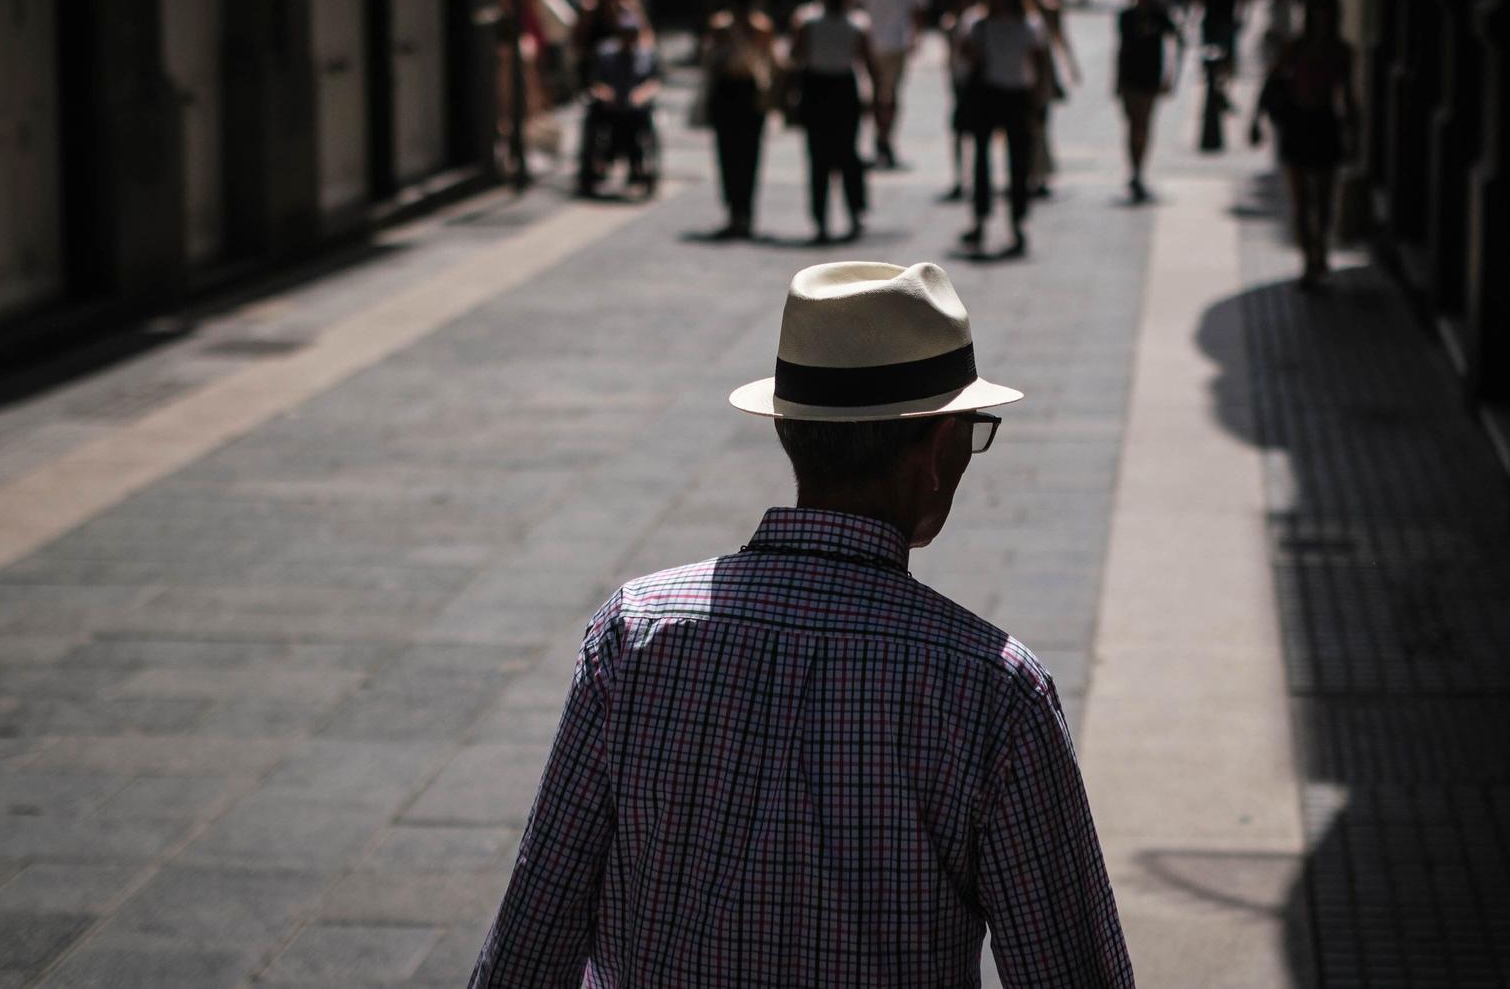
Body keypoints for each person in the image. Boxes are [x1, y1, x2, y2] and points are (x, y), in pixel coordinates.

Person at [469, 259, 1134, 988]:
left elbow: (530, 944)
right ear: (938, 447)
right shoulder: (992, 691)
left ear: (789, 426)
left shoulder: (632, 635)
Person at [1250, 0, 1358, 287]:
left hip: (1324, 123)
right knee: (1300, 201)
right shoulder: (1294, 48)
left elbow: (1347, 97)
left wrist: (1352, 133)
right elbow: (1272, 80)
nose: (1321, 17)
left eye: (1326, 11)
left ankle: (1319, 250)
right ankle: (1308, 259)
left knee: (1323, 200)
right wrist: (1256, 120)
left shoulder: (1342, 52)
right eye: (1317, 11)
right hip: (1297, 123)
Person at [960, 0, 1051, 258]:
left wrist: (1039, 98)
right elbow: (966, 55)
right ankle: (980, 217)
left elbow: (1038, 62)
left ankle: (1017, 221)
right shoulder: (977, 22)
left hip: (1017, 95)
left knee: (1019, 163)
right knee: (981, 160)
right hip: (988, 94)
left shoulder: (1030, 24)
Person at [790, 0, 876, 243]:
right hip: (841, 88)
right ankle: (854, 212)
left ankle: (822, 218)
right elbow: (868, 61)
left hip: (820, 88)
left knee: (820, 157)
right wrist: (877, 95)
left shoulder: (808, 20)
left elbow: (795, 55)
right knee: (847, 154)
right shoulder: (856, 23)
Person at [702, 0, 775, 239]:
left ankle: (735, 210)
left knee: (727, 154)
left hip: (726, 92)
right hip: (750, 93)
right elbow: (769, 62)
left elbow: (710, 62)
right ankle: (745, 212)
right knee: (750, 154)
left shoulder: (720, 25)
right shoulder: (763, 26)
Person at [852, 0, 932, 170]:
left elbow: (855, 7)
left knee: (877, 91)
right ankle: (885, 137)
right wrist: (916, 38)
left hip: (871, 43)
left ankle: (881, 136)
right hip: (897, 43)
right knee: (893, 94)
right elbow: (919, 11)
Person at [1114, 0, 1181, 202]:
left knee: (1142, 125)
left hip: (1150, 79)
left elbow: (1176, 41)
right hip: (1130, 78)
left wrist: (1171, 75)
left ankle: (1138, 170)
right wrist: (1116, 81)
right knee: (1133, 125)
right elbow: (1121, 50)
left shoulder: (1159, 16)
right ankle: (1134, 168)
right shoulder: (1126, 17)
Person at [578, 14, 661, 196]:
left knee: (638, 122)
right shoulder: (605, 53)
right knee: (596, 119)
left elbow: (653, 82)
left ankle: (637, 165)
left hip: (635, 110)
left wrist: (641, 94)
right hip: (610, 109)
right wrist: (605, 92)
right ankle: (599, 164)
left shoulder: (646, 55)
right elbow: (596, 81)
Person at [1022, 0, 1079, 199]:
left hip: (1040, 71)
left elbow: (1060, 39)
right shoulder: (1025, 10)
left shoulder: (1046, 9)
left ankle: (1037, 172)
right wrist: (1071, 67)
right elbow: (1061, 41)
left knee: (1037, 124)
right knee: (1034, 124)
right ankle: (1033, 172)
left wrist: (1071, 66)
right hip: (1031, 71)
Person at [573, 0, 654, 93]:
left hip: (624, 64)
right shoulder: (591, 8)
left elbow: (647, 37)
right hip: (599, 66)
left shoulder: (629, 7)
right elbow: (578, 42)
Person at [940, 0, 981, 201]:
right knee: (958, 131)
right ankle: (959, 176)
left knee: (977, 132)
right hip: (959, 80)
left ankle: (975, 176)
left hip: (976, 81)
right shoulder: (951, 22)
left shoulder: (978, 21)